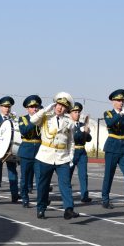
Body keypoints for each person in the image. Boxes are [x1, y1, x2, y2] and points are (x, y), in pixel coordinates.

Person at [30, 92, 78, 220]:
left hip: (62, 157)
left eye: (63, 106)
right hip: (45, 156)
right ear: (55, 104)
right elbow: (33, 120)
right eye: (58, 104)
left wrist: (71, 156)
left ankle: (68, 209)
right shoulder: (46, 117)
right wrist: (46, 109)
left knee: (65, 184)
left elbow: (71, 141)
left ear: (66, 109)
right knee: (43, 185)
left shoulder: (69, 122)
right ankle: (41, 208)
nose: (59, 108)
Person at [17, 95, 42, 208]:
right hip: (26, 151)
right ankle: (25, 198)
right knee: (25, 178)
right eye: (32, 107)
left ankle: (42, 199)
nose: (35, 109)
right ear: (27, 108)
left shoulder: (43, 119)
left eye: (36, 106)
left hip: (39, 151)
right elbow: (24, 130)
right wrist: (35, 120)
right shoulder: (23, 119)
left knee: (40, 178)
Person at [69, 102, 93, 203]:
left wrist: (86, 132)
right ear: (70, 113)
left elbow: (89, 139)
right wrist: (80, 131)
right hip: (71, 151)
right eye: (75, 112)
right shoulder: (68, 124)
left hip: (81, 151)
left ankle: (84, 196)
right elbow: (74, 137)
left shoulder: (83, 124)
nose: (77, 114)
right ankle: (67, 195)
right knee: (67, 175)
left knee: (83, 175)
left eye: (78, 112)